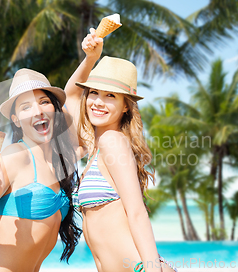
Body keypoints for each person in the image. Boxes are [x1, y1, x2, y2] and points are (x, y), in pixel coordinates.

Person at [63, 29, 178, 272]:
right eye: (93, 92)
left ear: (126, 105)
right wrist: (90, 58)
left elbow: (136, 212)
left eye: (110, 96)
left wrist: (152, 269)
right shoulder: (96, 144)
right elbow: (70, 94)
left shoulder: (112, 141)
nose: (98, 102)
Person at [0, 68, 81, 271]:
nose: (38, 111)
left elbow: (76, 100)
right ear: (16, 120)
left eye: (44, 102)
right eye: (26, 107)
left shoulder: (59, 163)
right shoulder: (15, 155)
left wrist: (90, 59)